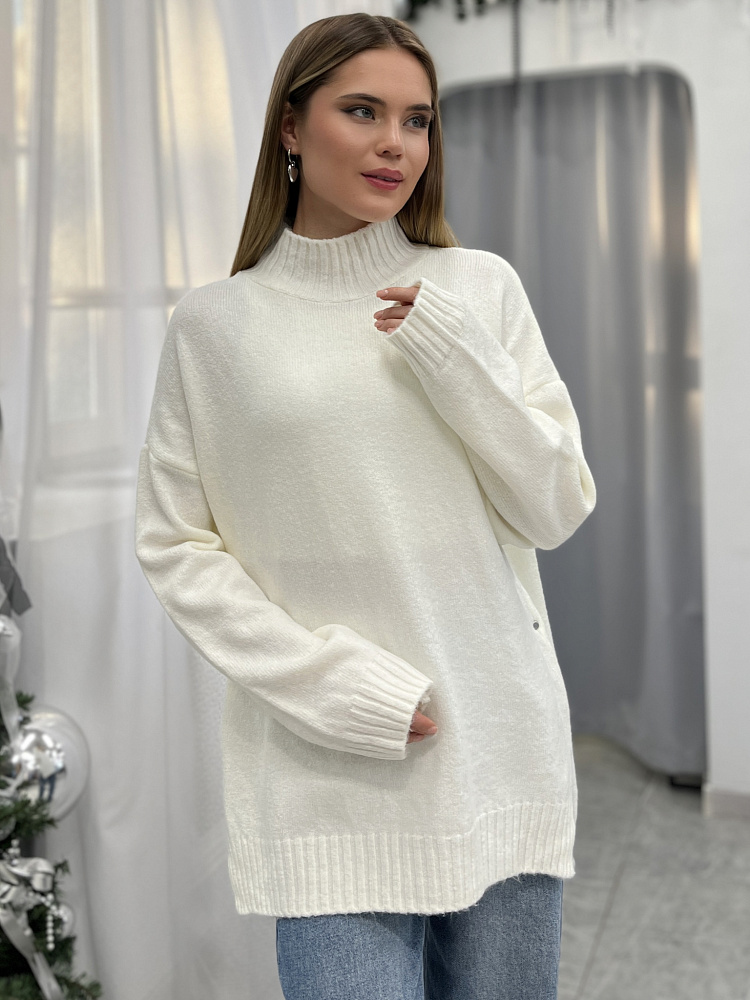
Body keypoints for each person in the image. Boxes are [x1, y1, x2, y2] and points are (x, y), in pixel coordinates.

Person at [134, 12, 596, 1000]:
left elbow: (556, 507)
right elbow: (175, 545)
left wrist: (458, 360)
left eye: (417, 120)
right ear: (290, 128)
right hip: (327, 772)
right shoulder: (215, 325)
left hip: (502, 748)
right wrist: (340, 688)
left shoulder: (480, 289)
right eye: (363, 111)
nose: (397, 144)